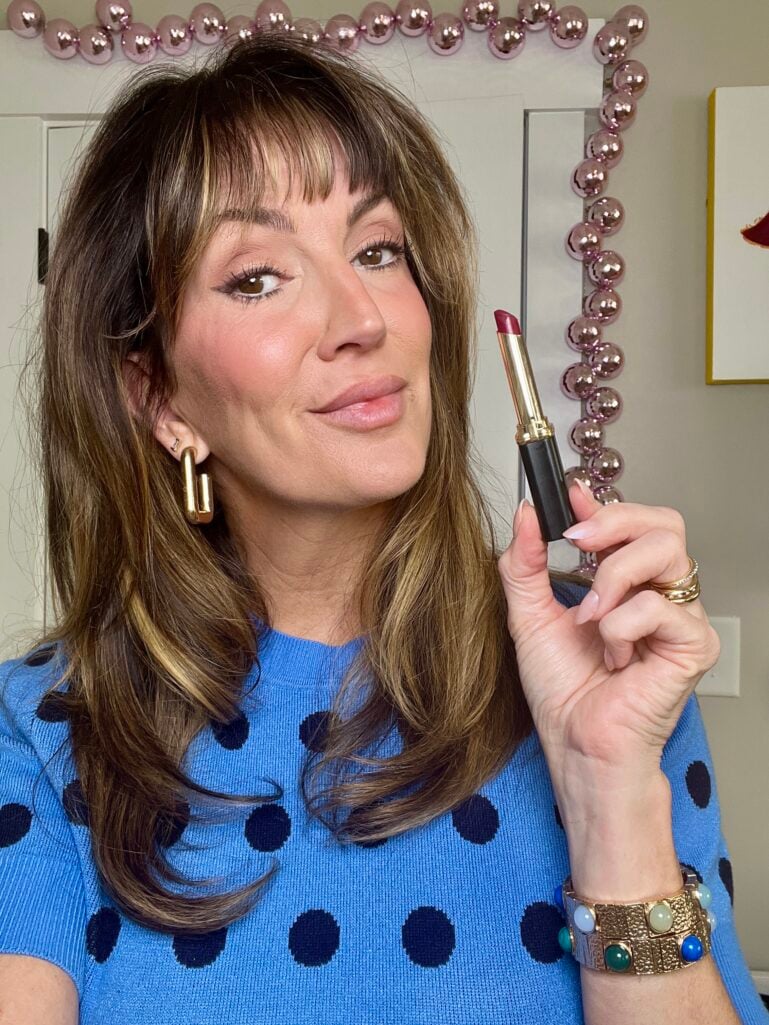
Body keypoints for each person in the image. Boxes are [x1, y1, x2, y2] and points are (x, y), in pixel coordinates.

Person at [0, 32, 765, 1025]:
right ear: (159, 396)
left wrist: (607, 785)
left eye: (376, 250)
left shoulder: (607, 661)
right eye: (258, 276)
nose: (361, 315)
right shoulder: (45, 720)